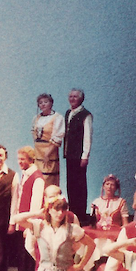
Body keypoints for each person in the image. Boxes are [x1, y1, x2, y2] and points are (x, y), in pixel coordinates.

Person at [15, 146, 45, 271]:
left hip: (31, 224)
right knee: (23, 257)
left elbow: (36, 204)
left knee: (29, 258)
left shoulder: (37, 178)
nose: (20, 162)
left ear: (31, 160)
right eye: (19, 159)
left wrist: (29, 226)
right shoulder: (25, 175)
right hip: (23, 222)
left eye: (23, 159)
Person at [63, 88, 92, 223]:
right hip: (69, 155)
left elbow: (87, 136)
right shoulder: (68, 113)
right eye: (70, 96)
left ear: (81, 99)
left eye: (75, 97)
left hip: (79, 156)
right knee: (71, 184)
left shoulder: (86, 115)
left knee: (80, 185)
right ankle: (72, 212)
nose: (72, 99)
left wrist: (85, 155)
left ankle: (80, 215)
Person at [31, 93, 65, 187]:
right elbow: (34, 133)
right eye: (40, 102)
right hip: (38, 152)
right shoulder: (36, 118)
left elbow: (57, 137)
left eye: (45, 102)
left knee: (48, 178)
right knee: (37, 177)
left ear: (51, 103)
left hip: (49, 152)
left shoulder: (57, 118)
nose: (43, 104)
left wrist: (47, 154)